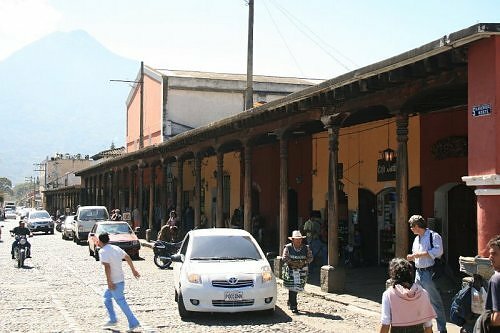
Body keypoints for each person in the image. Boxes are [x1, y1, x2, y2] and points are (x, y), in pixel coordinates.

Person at [406, 215, 447, 333]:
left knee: (435, 301)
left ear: (417, 226)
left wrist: (419, 255)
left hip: (429, 272)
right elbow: (417, 256)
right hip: (418, 272)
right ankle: (421, 328)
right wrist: (412, 258)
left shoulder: (433, 236)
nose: (411, 228)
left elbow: (438, 251)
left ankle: (442, 329)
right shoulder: (416, 239)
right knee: (417, 300)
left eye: (412, 226)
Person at [98, 232, 141, 332]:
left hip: (114, 282)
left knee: (121, 302)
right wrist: (133, 270)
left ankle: (133, 322)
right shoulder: (116, 248)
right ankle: (112, 319)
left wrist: (109, 281)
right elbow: (127, 257)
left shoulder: (103, 251)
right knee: (106, 298)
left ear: (100, 241)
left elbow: (107, 267)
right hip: (120, 279)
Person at [380, 258, 436, 333]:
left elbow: (385, 324)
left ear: (393, 274)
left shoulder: (388, 294)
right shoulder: (423, 293)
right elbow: (428, 327)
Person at [281, 230, 313, 313]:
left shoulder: (306, 248)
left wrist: (303, 262)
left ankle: (290, 301)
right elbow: (284, 258)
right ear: (293, 240)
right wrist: (292, 263)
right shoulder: (288, 247)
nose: (298, 241)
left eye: (300, 239)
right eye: (296, 239)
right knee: (293, 288)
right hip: (291, 270)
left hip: (302, 271)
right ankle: (293, 305)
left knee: (296, 287)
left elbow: (310, 257)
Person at [477, 234, 500, 332]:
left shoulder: (496, 279)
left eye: (494, 254)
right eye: (490, 254)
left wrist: (482, 323)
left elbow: (497, 319)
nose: (490, 257)